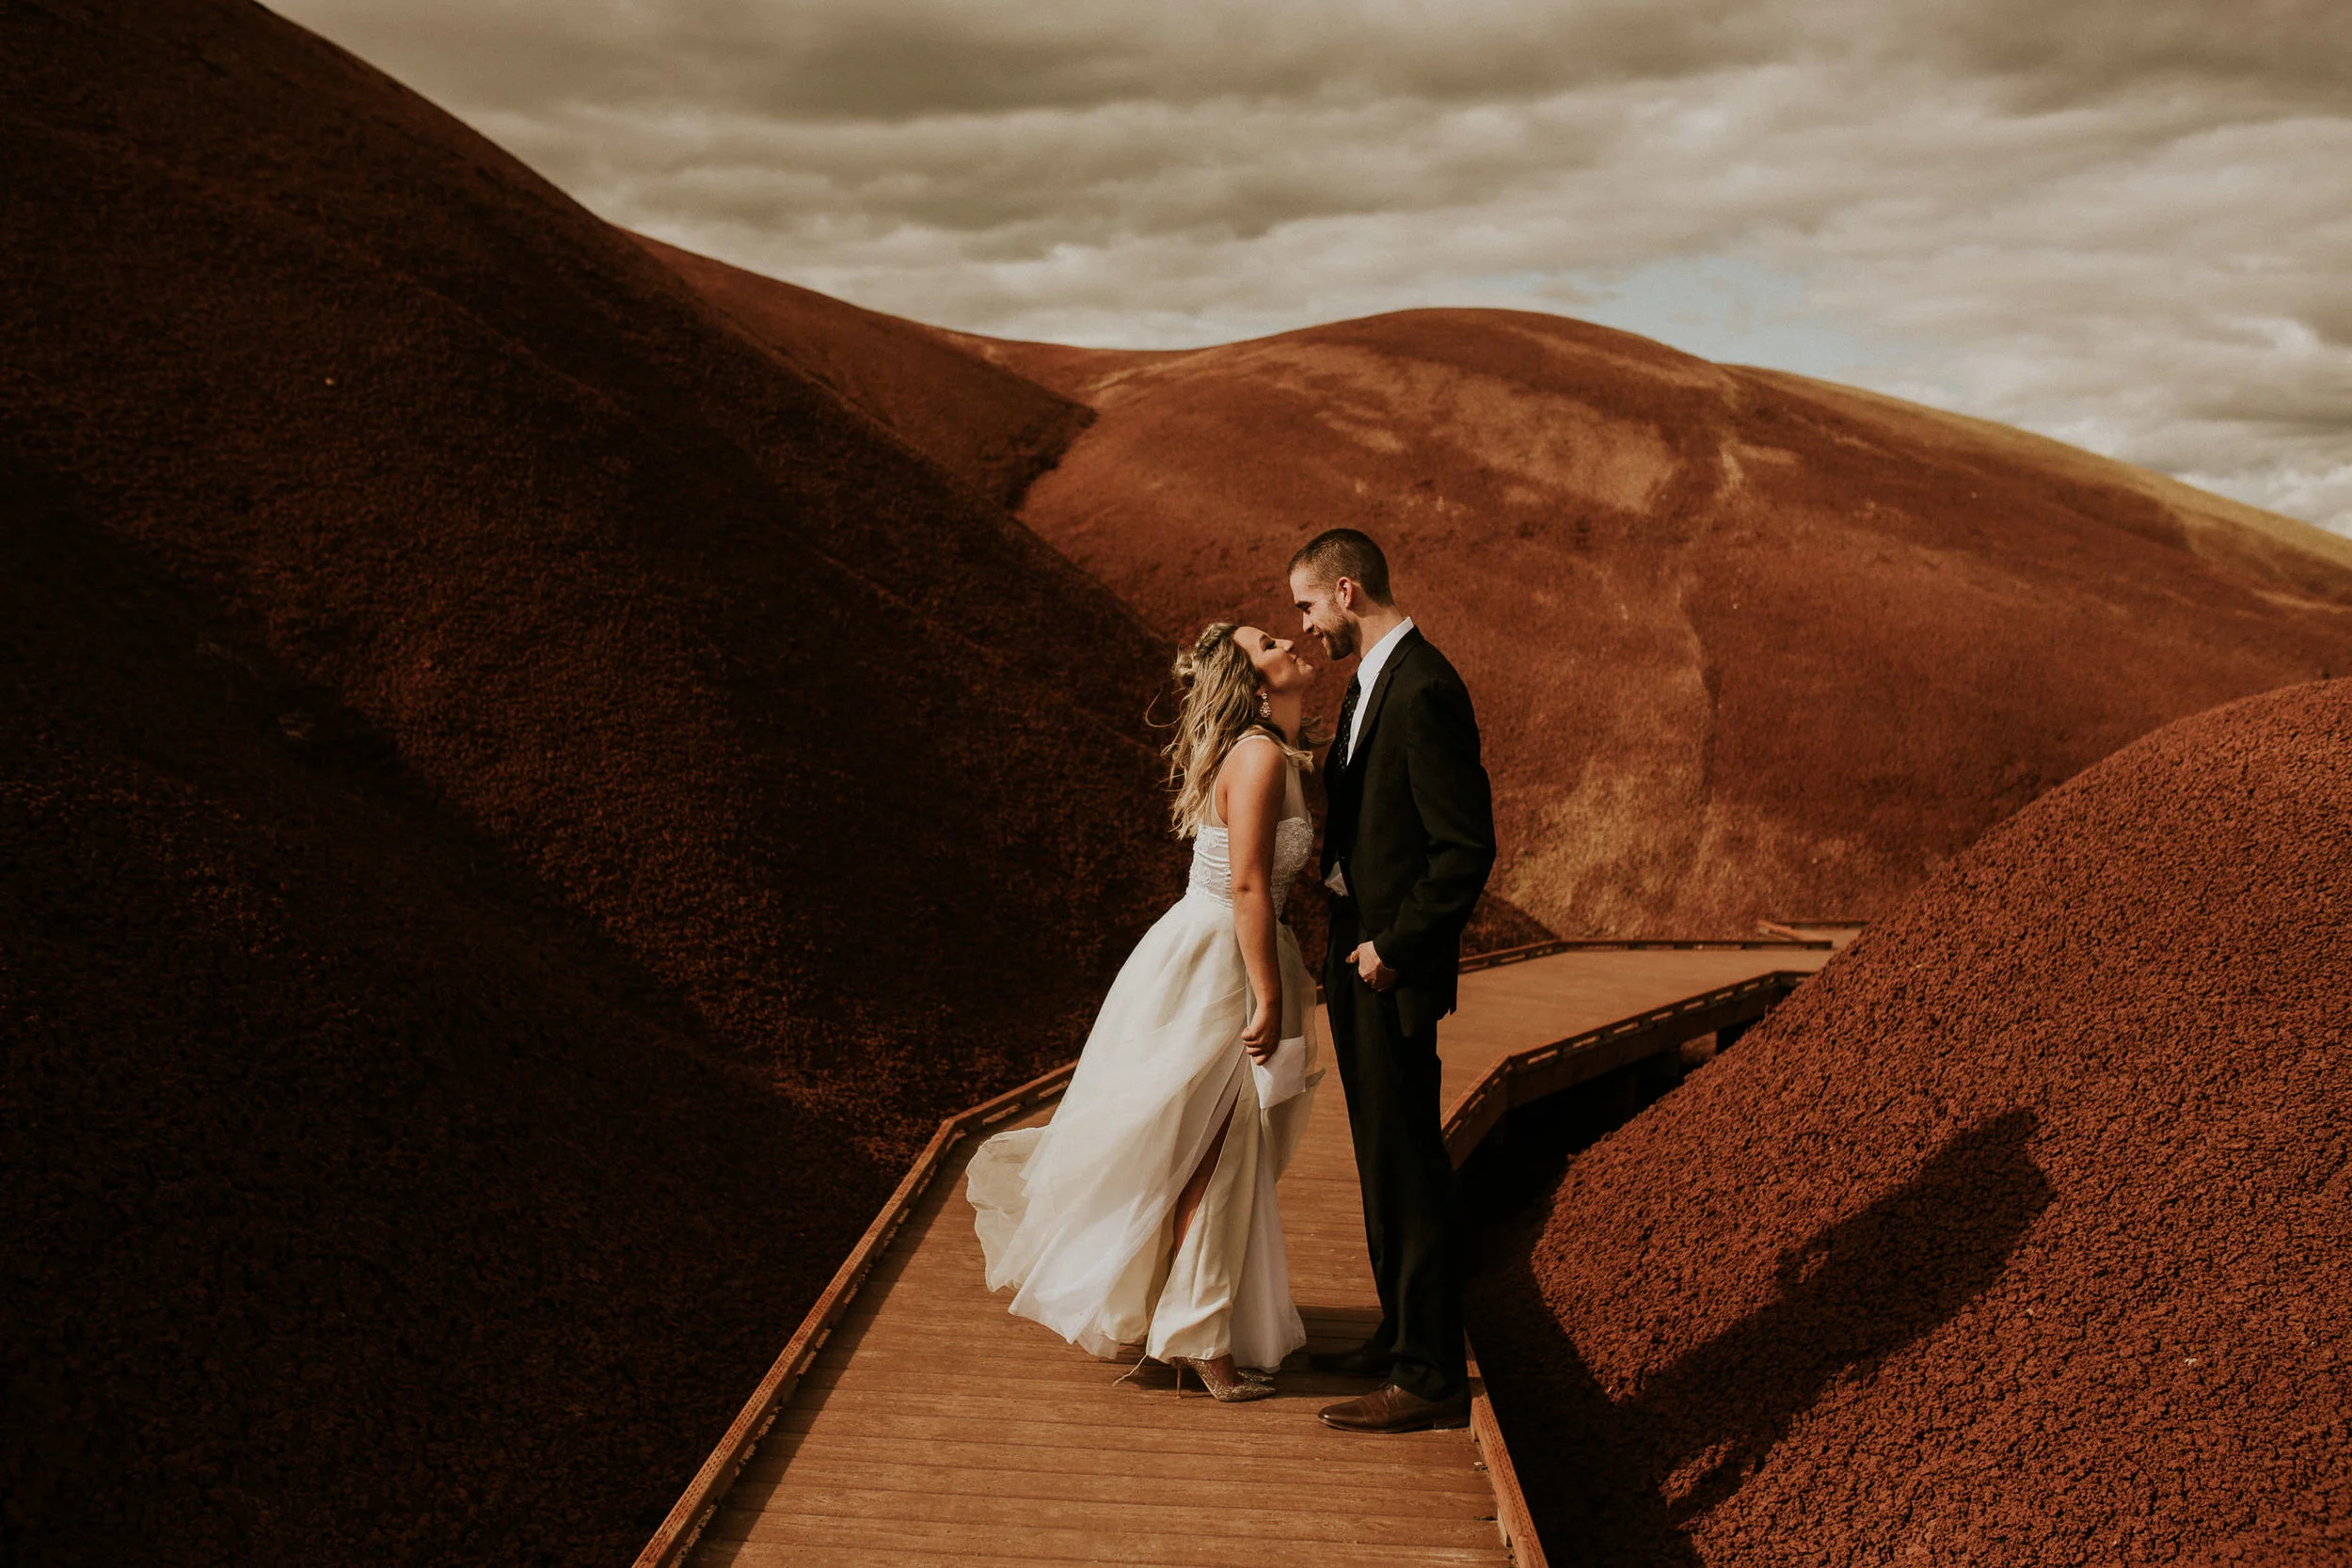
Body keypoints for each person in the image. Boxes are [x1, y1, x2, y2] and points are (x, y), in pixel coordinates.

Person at [966, 621, 1325, 1401]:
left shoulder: (1273, 751)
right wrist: (1268, 993)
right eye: (1270, 642)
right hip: (1224, 960)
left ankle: (1186, 1317)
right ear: (1256, 682)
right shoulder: (1260, 756)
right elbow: (1250, 887)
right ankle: (1200, 1336)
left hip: (1220, 947)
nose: (1290, 640)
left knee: (1211, 1139)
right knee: (1222, 1143)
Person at [1288, 528, 1497, 1434]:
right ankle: (1399, 1332)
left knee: (1409, 1164)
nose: (1302, 624)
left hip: (1388, 968)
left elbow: (1465, 850)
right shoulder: (1371, 682)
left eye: (1305, 605)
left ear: (1346, 589)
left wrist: (1394, 946)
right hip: (1355, 951)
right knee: (1381, 1158)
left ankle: (1429, 1374)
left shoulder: (1425, 687)